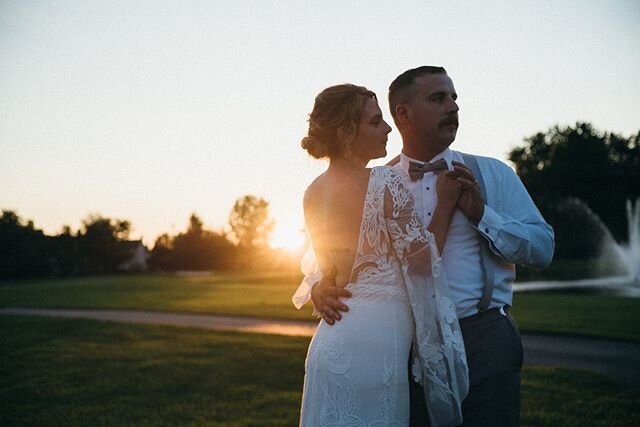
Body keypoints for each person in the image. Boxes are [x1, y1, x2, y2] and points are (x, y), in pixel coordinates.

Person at [307, 67, 555, 427]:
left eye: (454, 98)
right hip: (402, 346)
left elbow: (543, 249)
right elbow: (333, 249)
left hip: (482, 338)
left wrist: (483, 214)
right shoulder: (377, 179)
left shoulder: (493, 174)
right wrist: (319, 285)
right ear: (403, 114)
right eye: (439, 98)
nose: (453, 107)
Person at [294, 84, 469, 426]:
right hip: (372, 349)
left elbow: (325, 270)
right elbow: (421, 264)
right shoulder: (384, 181)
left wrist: (318, 287)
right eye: (376, 122)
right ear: (346, 132)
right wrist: (446, 205)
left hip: (331, 343)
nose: (388, 129)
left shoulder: (313, 191)